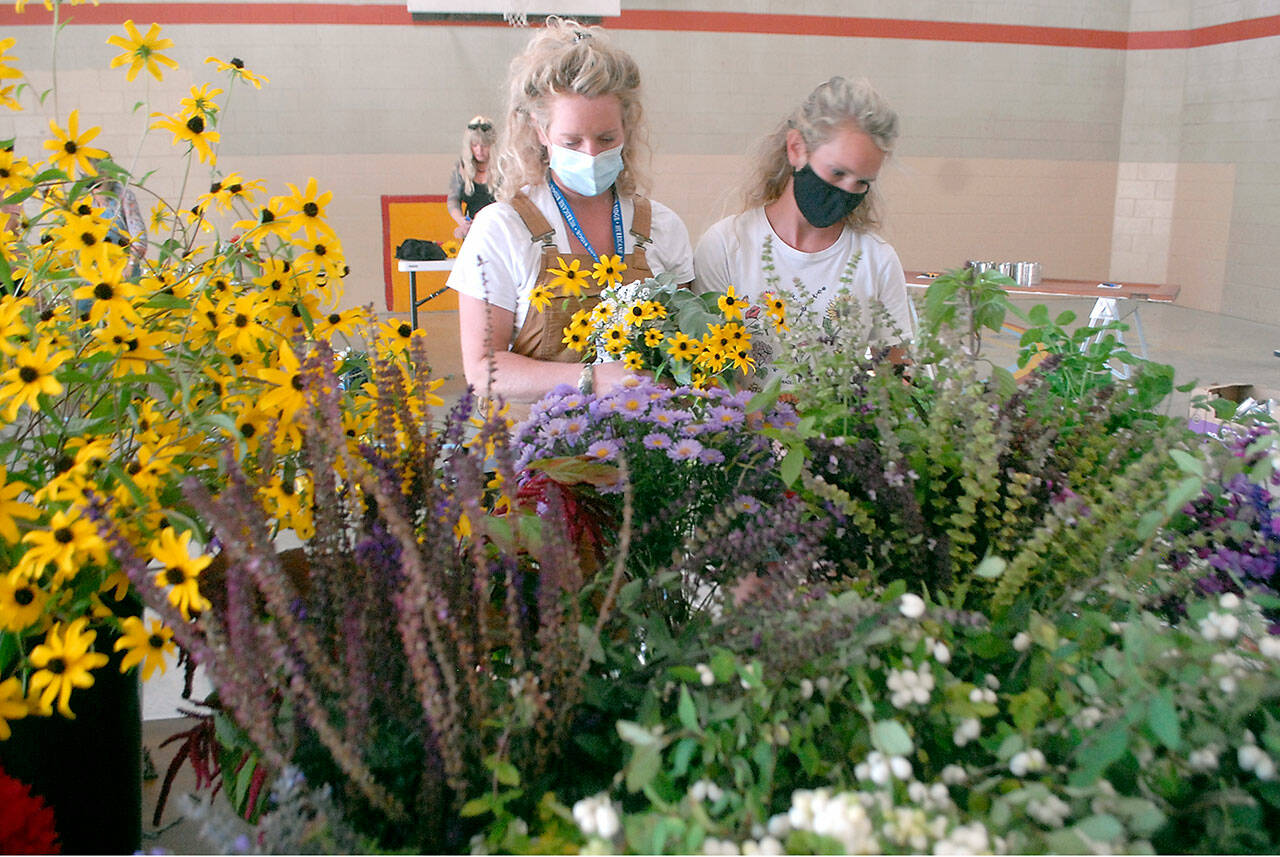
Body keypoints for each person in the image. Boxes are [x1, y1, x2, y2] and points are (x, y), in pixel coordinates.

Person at [448, 17, 695, 406]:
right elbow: (483, 370)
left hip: (649, 453)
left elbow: (688, 353)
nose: (591, 154)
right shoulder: (502, 228)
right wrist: (591, 379)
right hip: (540, 456)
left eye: (606, 138)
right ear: (540, 131)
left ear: (627, 127)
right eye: (572, 140)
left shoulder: (662, 227)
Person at [694, 76, 914, 345]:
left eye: (862, 183)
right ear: (797, 148)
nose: (846, 190)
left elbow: (896, 371)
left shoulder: (877, 261)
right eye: (837, 173)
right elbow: (703, 366)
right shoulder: (727, 246)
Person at [446, 115, 497, 239]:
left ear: (492, 145)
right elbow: (453, 200)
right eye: (474, 145)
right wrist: (461, 220)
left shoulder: (503, 168)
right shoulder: (461, 167)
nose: (479, 150)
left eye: (484, 146)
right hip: (472, 231)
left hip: (497, 230)